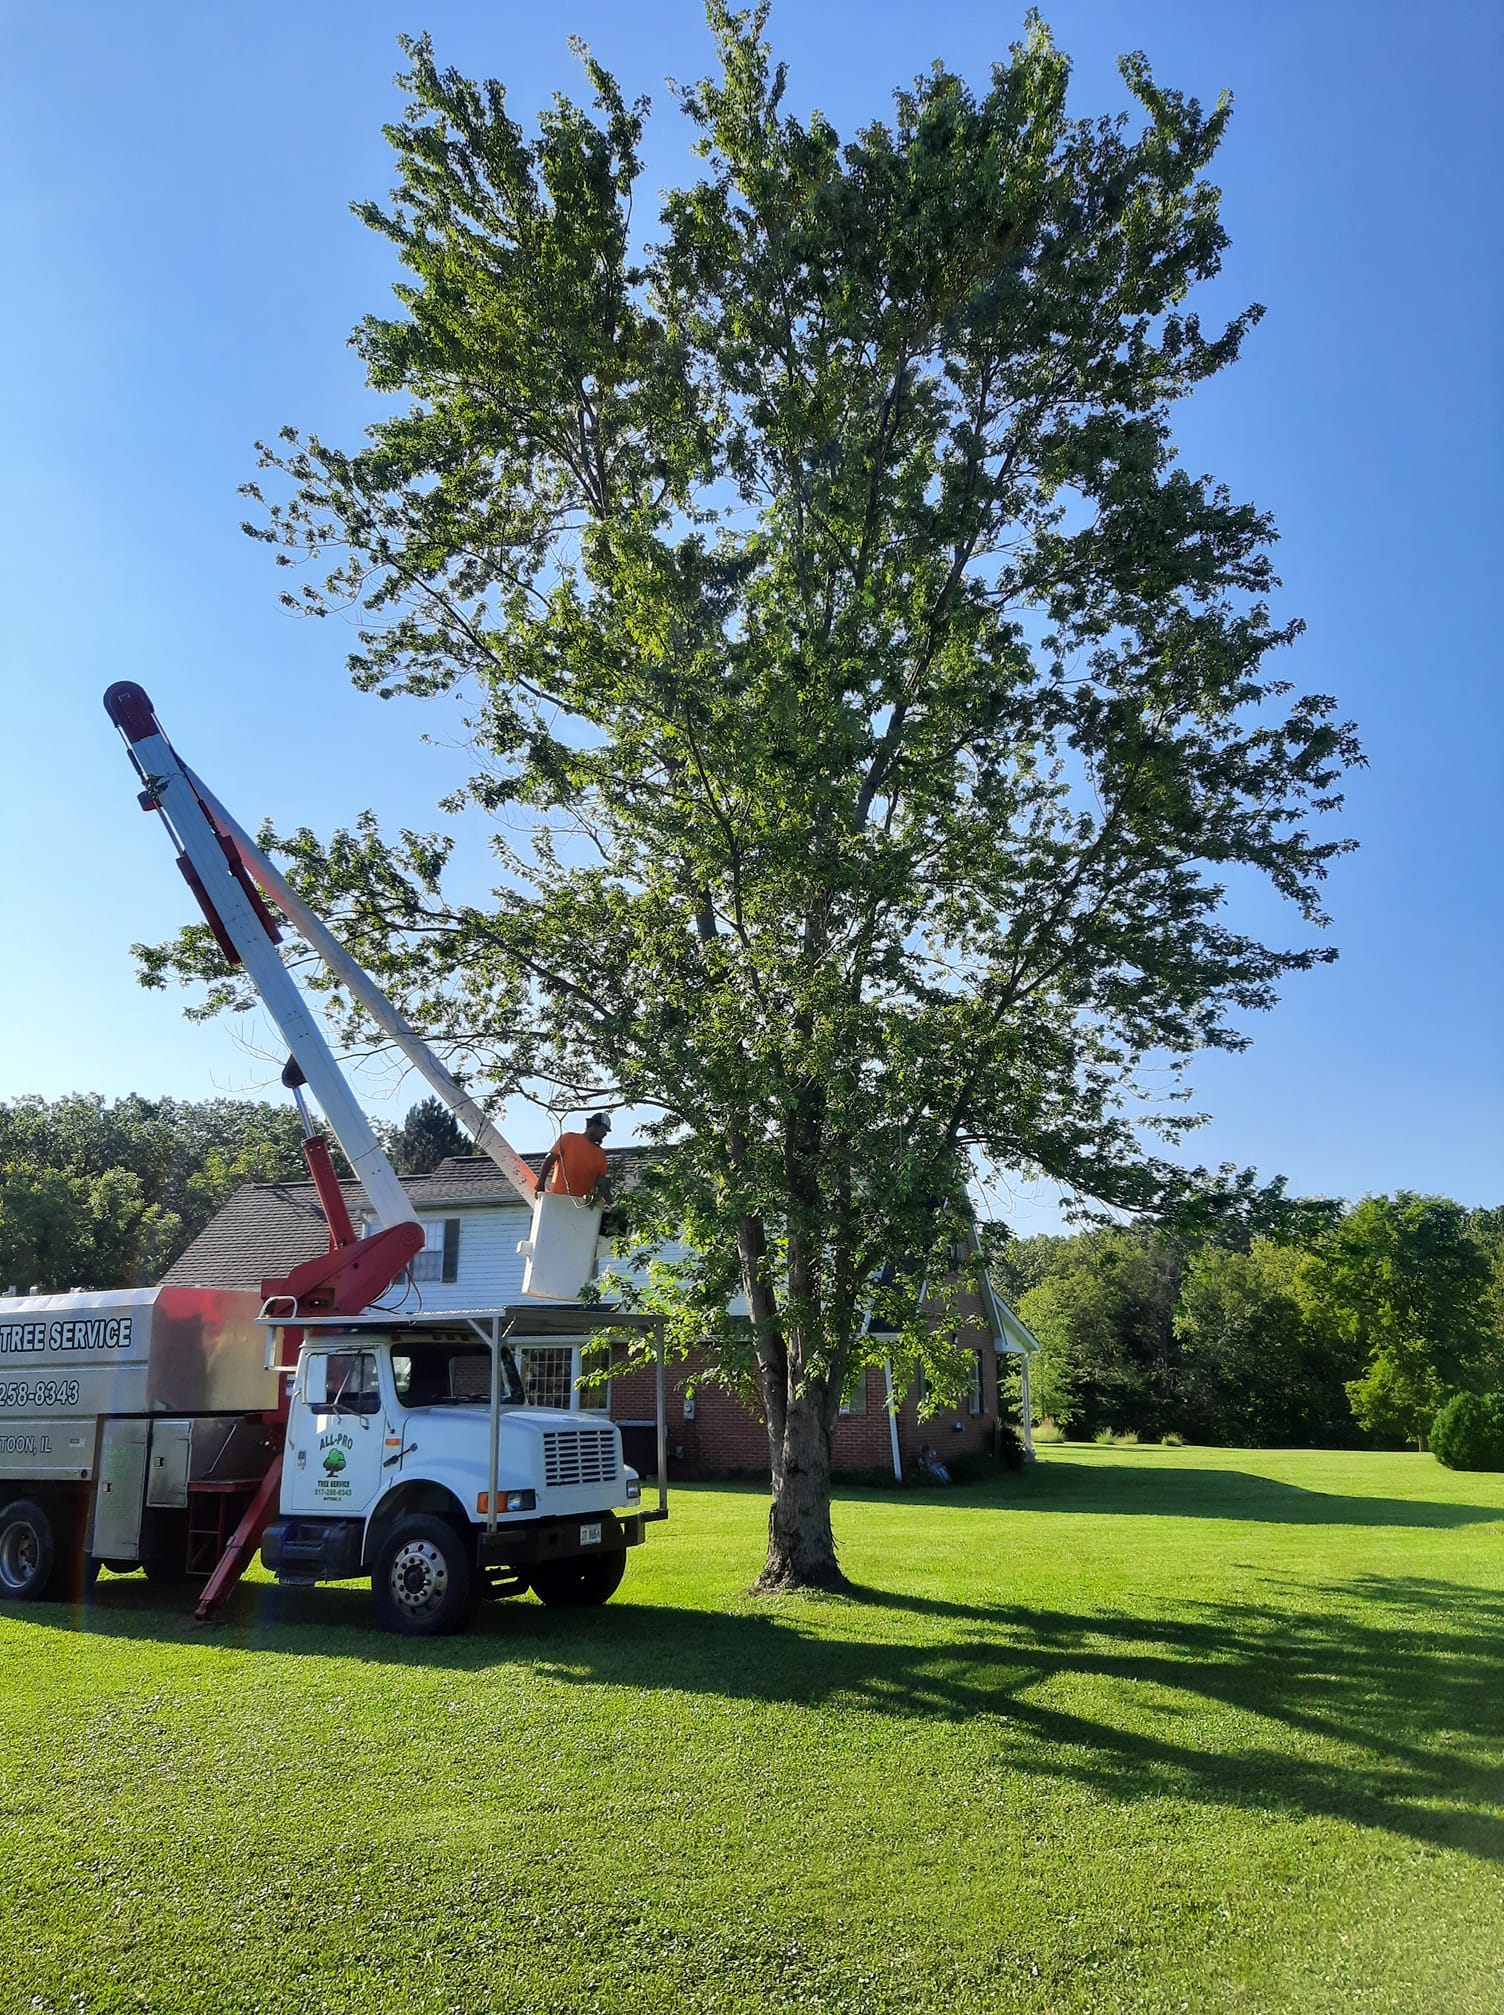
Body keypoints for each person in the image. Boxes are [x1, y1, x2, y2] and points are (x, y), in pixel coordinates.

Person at [535, 1112, 613, 1204]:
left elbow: (601, 1182)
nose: (605, 1134)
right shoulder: (569, 1138)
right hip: (559, 1197)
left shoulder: (600, 1154)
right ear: (593, 1126)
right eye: (603, 1130)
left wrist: (610, 1203)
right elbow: (550, 1159)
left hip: (582, 1203)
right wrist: (540, 1184)